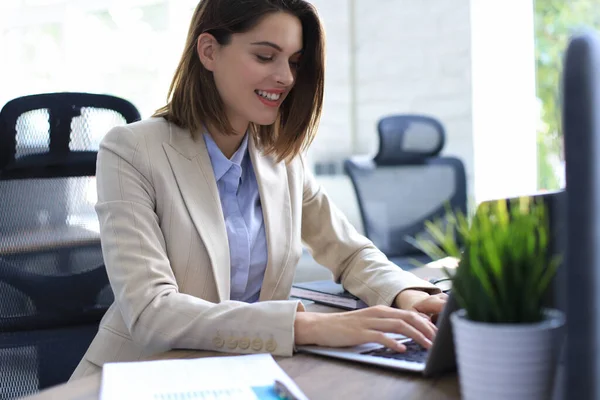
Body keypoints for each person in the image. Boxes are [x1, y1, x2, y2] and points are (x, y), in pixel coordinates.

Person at [70, 0, 447, 380]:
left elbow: (348, 253)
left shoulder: (280, 156)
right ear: (209, 51)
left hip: (244, 375)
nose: (285, 77)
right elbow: (151, 311)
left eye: (294, 62)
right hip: (141, 375)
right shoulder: (131, 149)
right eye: (266, 56)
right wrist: (308, 327)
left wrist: (408, 296)